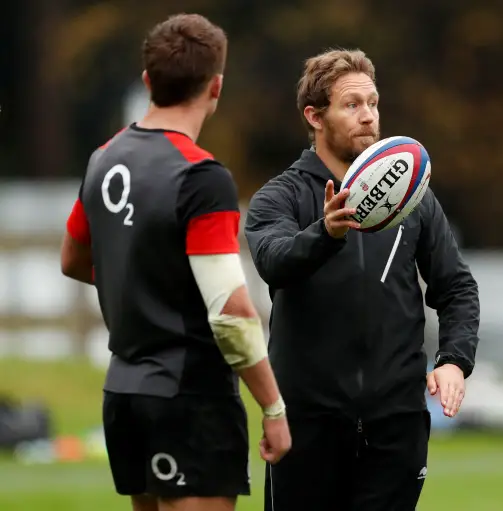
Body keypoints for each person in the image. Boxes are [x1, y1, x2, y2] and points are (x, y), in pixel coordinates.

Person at [60, 14, 291, 511]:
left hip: (123, 392)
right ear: (216, 87)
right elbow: (230, 314)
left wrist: (140, 284)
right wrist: (273, 407)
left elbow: (73, 259)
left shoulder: (104, 158)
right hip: (189, 397)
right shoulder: (202, 177)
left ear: (148, 82)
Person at [244, 48, 481, 511]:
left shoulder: (414, 200)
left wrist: (454, 359)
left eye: (373, 103)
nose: (368, 116)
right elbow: (272, 260)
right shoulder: (281, 196)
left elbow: (456, 288)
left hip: (396, 423)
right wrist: (325, 234)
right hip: (307, 424)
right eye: (352, 105)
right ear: (314, 116)